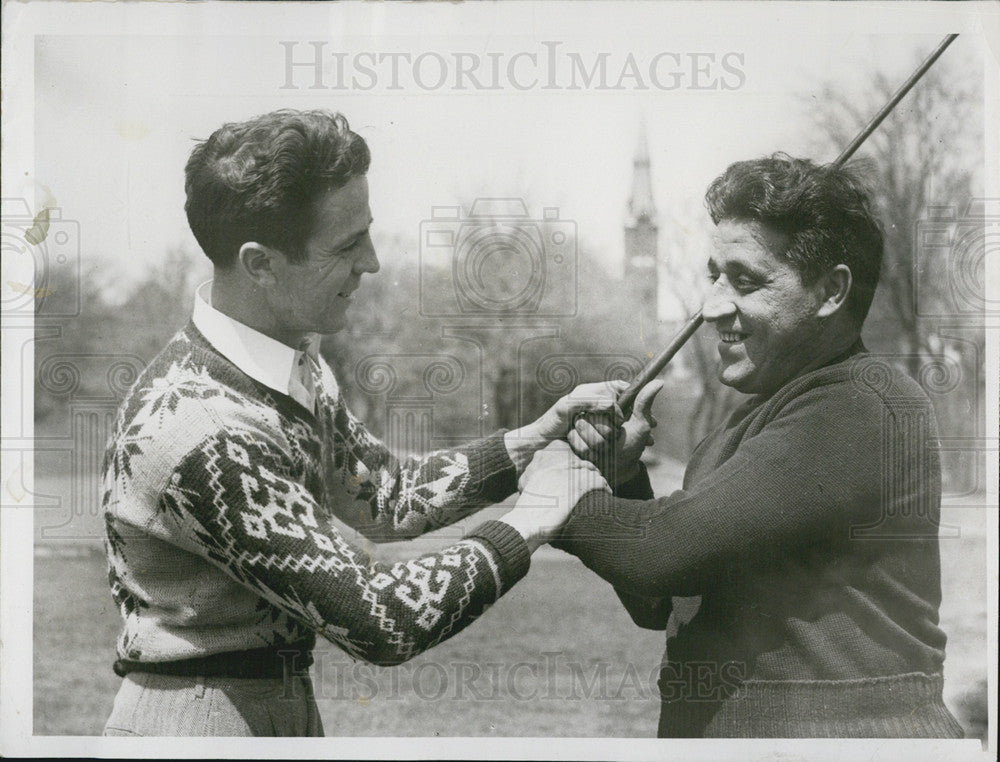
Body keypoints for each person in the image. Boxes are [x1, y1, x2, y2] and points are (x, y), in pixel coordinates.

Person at [100, 109, 628, 737]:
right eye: (347, 246)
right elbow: (379, 617)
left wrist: (531, 440)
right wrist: (533, 516)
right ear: (261, 263)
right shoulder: (199, 425)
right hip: (196, 720)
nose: (373, 262)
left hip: (276, 705)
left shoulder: (293, 360)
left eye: (366, 234)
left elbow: (384, 496)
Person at [533, 154, 965, 738]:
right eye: (714, 275)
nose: (711, 307)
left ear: (831, 291)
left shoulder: (865, 403)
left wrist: (547, 486)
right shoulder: (737, 432)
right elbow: (660, 598)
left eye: (744, 280)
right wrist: (621, 474)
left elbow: (660, 549)